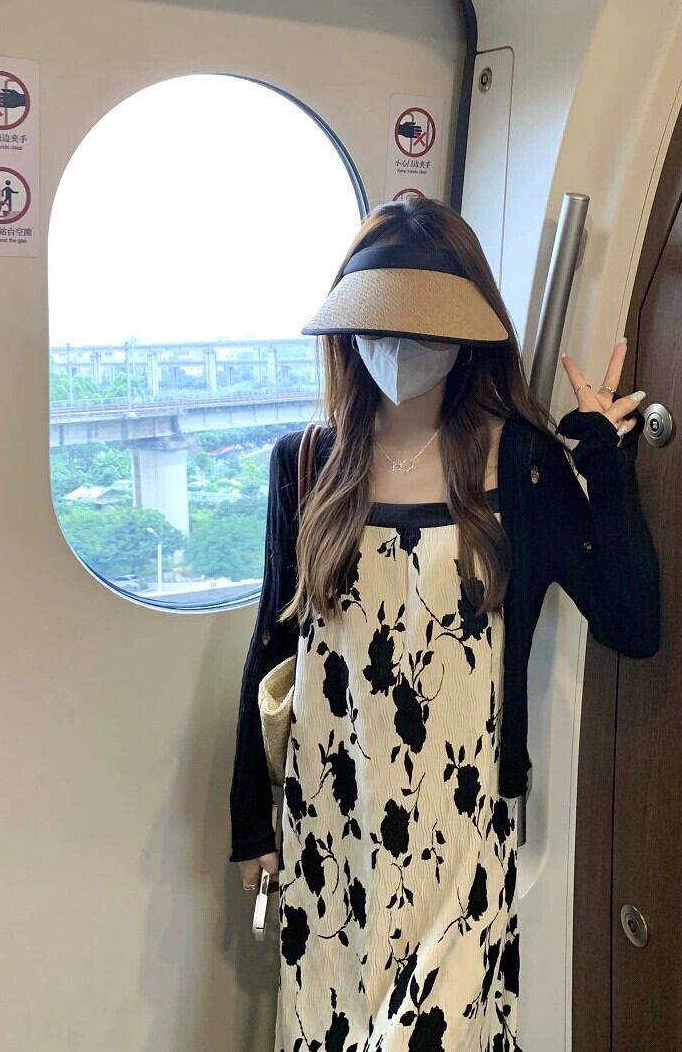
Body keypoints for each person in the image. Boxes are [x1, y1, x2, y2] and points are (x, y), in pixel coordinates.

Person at [228, 194, 660, 1051]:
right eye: (381, 324)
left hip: (460, 833)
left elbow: (632, 621)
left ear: (469, 334)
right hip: (329, 825)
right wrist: (250, 826)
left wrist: (604, 463)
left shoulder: (523, 465)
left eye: (426, 327)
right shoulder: (306, 463)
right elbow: (274, 643)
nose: (400, 347)